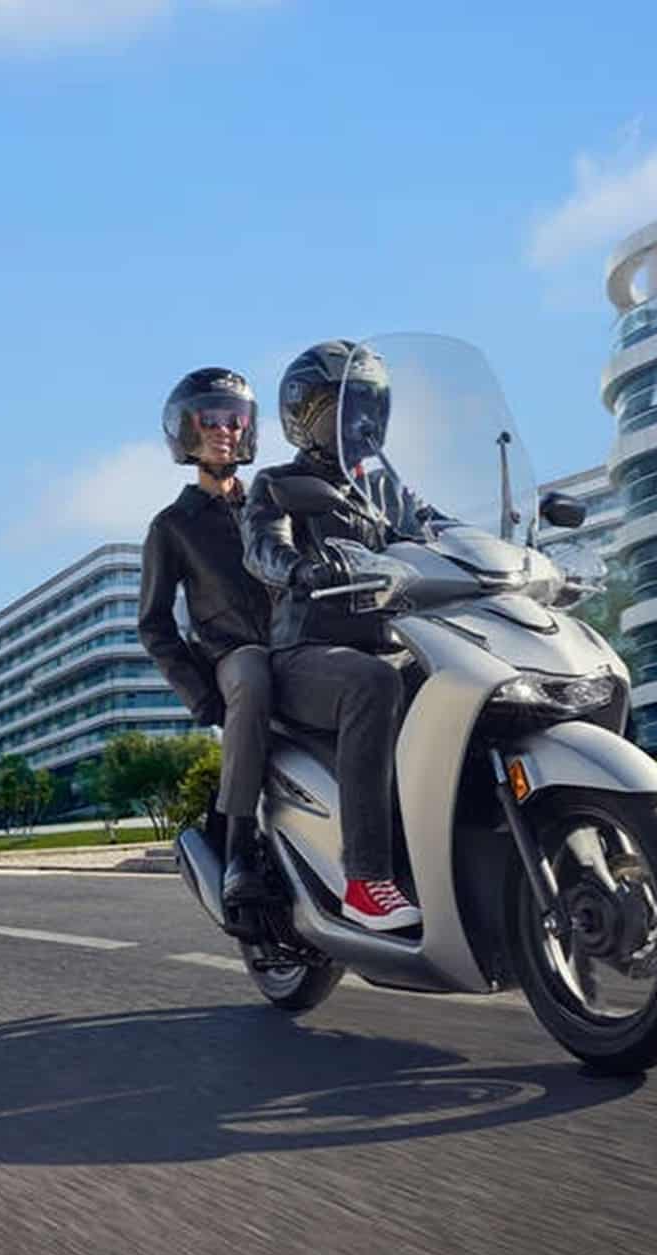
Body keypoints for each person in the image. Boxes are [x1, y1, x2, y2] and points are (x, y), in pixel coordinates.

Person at [243, 340, 423, 931]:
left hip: (396, 642)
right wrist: (301, 568)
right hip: (307, 653)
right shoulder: (279, 483)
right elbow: (262, 547)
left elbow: (439, 529)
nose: (359, 417)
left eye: (370, 403)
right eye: (342, 405)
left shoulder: (388, 491)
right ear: (304, 416)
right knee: (373, 682)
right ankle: (367, 881)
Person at [139, 367, 276, 907]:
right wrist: (201, 696)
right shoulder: (172, 526)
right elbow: (154, 624)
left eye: (234, 419)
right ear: (186, 430)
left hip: (294, 644)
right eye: (210, 419)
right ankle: (239, 847)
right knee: (253, 674)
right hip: (230, 657)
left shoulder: (273, 505)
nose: (224, 430)